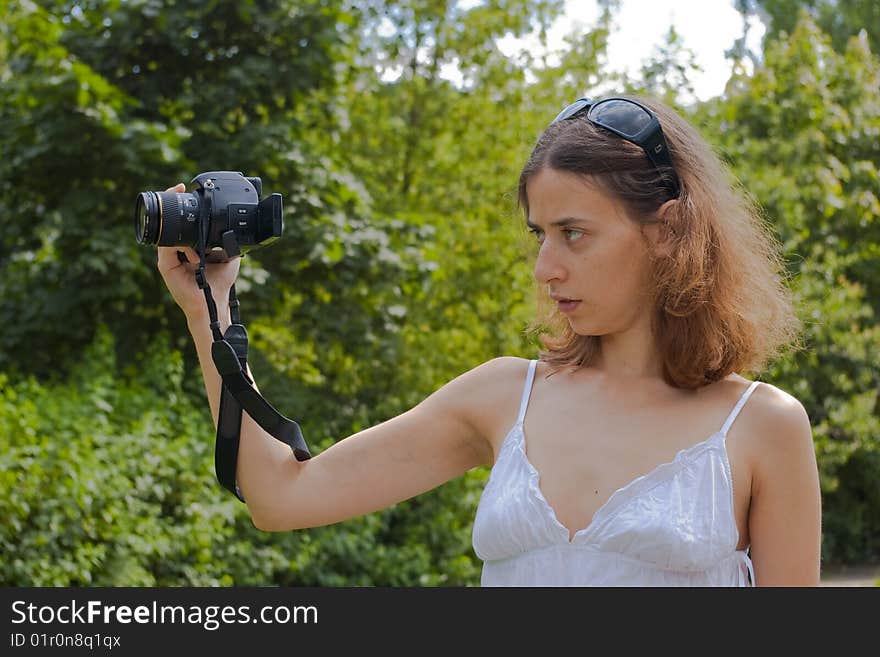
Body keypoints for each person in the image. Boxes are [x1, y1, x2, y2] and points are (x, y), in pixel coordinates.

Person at [158, 94, 822, 587]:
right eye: (540, 235)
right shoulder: (505, 396)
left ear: (667, 230)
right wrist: (207, 308)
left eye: (574, 233)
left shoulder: (762, 426)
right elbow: (283, 497)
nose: (545, 267)